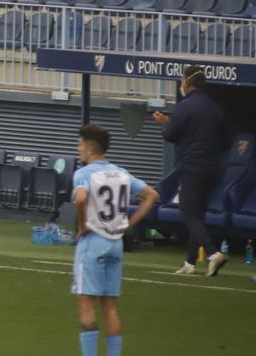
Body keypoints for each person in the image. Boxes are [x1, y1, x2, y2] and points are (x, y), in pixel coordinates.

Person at [71, 123, 159, 356]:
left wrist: (83, 225)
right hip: (115, 243)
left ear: (89, 147)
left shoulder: (83, 173)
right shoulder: (121, 173)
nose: (78, 149)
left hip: (93, 242)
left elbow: (80, 199)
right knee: (110, 308)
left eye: (79, 144)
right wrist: (129, 224)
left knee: (87, 307)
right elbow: (151, 195)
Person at [153, 65, 228, 276]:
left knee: (187, 213)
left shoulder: (185, 106)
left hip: (192, 167)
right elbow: (226, 142)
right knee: (198, 215)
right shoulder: (215, 107)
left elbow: (171, 134)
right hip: (213, 168)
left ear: (187, 82)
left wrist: (163, 124)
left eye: (181, 80)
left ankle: (213, 253)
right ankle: (190, 262)